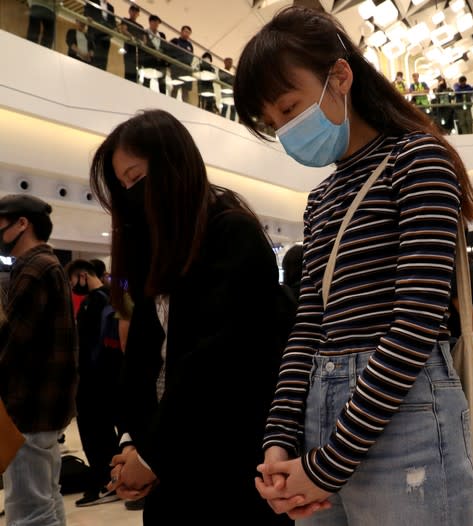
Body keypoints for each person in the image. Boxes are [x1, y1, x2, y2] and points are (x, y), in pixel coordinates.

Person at [233, 6, 473, 523]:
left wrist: (329, 465)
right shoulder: (320, 198)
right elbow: (307, 327)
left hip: (403, 410)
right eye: (273, 123)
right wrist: (279, 440)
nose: (285, 130)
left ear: (340, 76)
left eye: (289, 107)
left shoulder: (418, 160)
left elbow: (416, 319)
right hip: (321, 414)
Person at [92, 110, 290, 524]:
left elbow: (215, 365)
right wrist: (131, 443)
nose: (130, 194)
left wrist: (150, 455)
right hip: (172, 465)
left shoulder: (230, 234)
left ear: (173, 166)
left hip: (226, 464)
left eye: (136, 177)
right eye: (123, 185)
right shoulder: (162, 252)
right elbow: (145, 359)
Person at [0, 194, 77, 526]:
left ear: (22, 223)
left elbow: (14, 344)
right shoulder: (48, 265)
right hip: (46, 405)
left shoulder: (33, 267)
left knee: (28, 509)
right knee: (46, 496)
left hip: (27, 406)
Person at [65, 259, 122, 507]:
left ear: (83, 275)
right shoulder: (115, 297)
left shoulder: (93, 302)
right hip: (112, 377)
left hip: (93, 379)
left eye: (74, 280)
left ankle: (103, 481)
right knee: (106, 432)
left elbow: (86, 346)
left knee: (94, 433)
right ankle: (111, 479)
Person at [84, 0, 115, 71]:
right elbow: (86, 12)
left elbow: (113, 23)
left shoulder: (111, 7)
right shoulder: (92, 1)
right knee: (93, 60)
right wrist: (89, 17)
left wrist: (112, 29)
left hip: (105, 37)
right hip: (94, 33)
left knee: (103, 61)